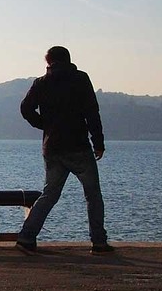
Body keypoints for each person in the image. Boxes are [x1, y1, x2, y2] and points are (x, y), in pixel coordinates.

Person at [16, 45, 113, 255]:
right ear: (69, 60)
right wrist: (98, 143)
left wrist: (45, 125)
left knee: (49, 194)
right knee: (93, 195)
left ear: (49, 62)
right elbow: (92, 112)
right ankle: (98, 242)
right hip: (78, 145)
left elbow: (25, 108)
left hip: (52, 147)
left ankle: (26, 237)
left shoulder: (41, 83)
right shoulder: (81, 79)